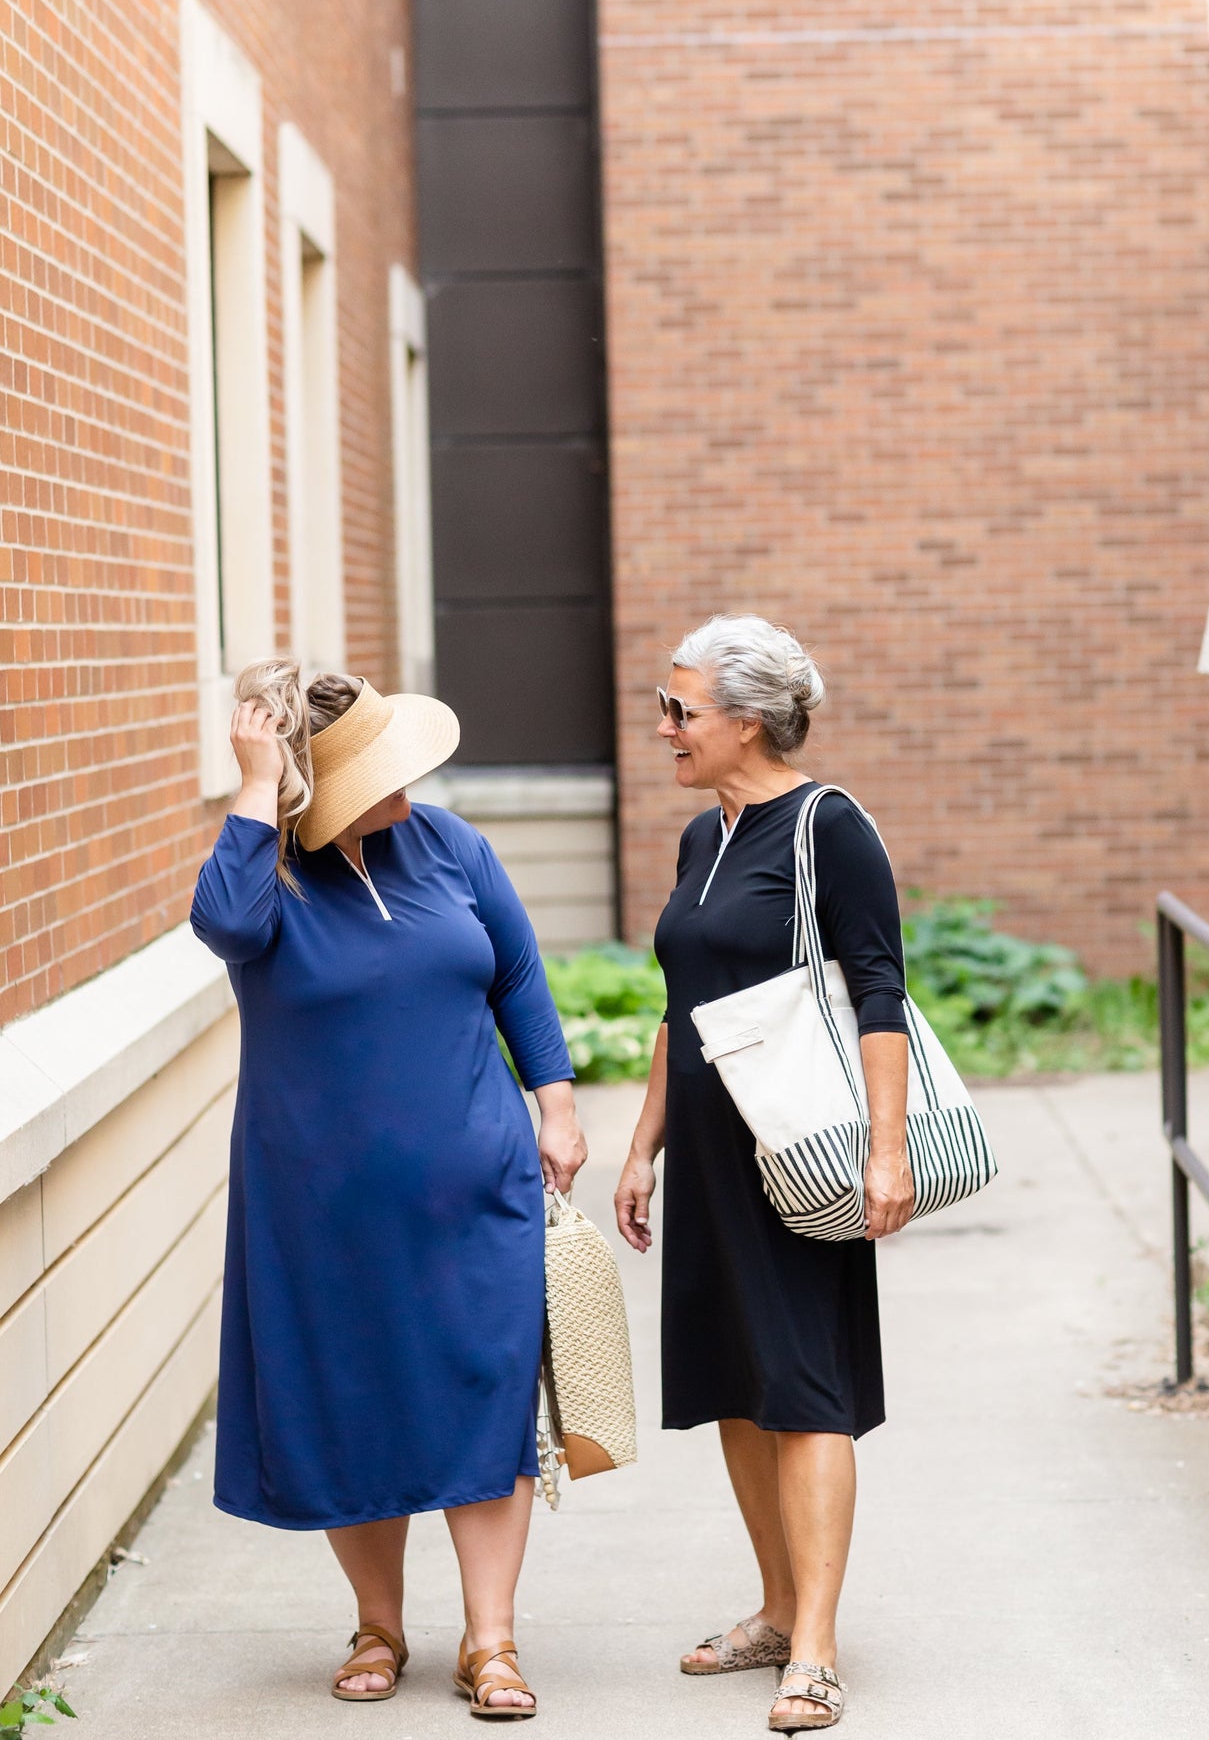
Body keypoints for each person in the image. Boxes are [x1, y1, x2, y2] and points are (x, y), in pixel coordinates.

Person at [190, 661, 585, 1718]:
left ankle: (490, 1641)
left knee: (485, 1393)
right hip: (317, 1203)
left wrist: (555, 1104)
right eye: (377, 770)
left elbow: (516, 974)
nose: (405, 782)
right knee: (347, 1401)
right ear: (311, 788)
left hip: (477, 1182)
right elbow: (221, 928)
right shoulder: (264, 876)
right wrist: (250, 783)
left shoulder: (451, 845)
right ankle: (378, 1623)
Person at [614, 614, 914, 1734]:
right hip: (701, 1152)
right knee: (736, 1384)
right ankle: (778, 1609)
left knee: (802, 1385)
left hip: (795, 1151)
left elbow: (877, 990)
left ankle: (820, 1651)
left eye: (679, 709)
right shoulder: (705, 836)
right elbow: (676, 1006)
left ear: (745, 720)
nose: (663, 727)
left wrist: (884, 1150)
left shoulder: (828, 829)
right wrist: (641, 1145)